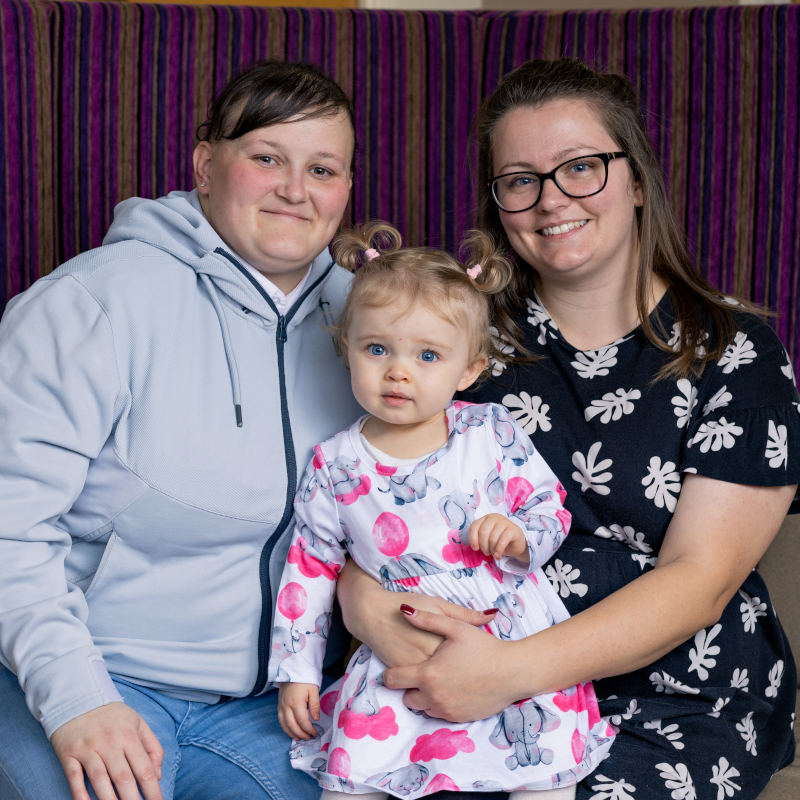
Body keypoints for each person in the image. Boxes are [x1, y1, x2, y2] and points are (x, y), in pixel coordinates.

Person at [335, 58, 800, 799]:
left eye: (581, 167)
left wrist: (508, 672)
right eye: (520, 180)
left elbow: (699, 581)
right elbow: (375, 501)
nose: (552, 200)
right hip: (474, 673)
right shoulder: (462, 347)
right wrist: (376, 615)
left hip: (675, 689)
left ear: (638, 181)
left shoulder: (733, 350)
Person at [0, 60, 366, 800]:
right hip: (88, 669)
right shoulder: (91, 302)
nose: (295, 189)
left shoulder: (371, 328)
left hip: (274, 707)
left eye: (322, 168)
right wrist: (77, 700)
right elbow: (8, 525)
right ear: (205, 164)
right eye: (267, 158)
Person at [268, 221, 615, 800]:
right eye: (377, 349)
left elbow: (550, 509)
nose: (399, 371)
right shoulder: (335, 463)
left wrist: (518, 534)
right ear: (346, 348)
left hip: (505, 634)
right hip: (396, 646)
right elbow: (309, 568)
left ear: (470, 369)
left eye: (428, 355)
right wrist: (298, 671)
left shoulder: (489, 432)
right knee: (352, 782)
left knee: (542, 775)